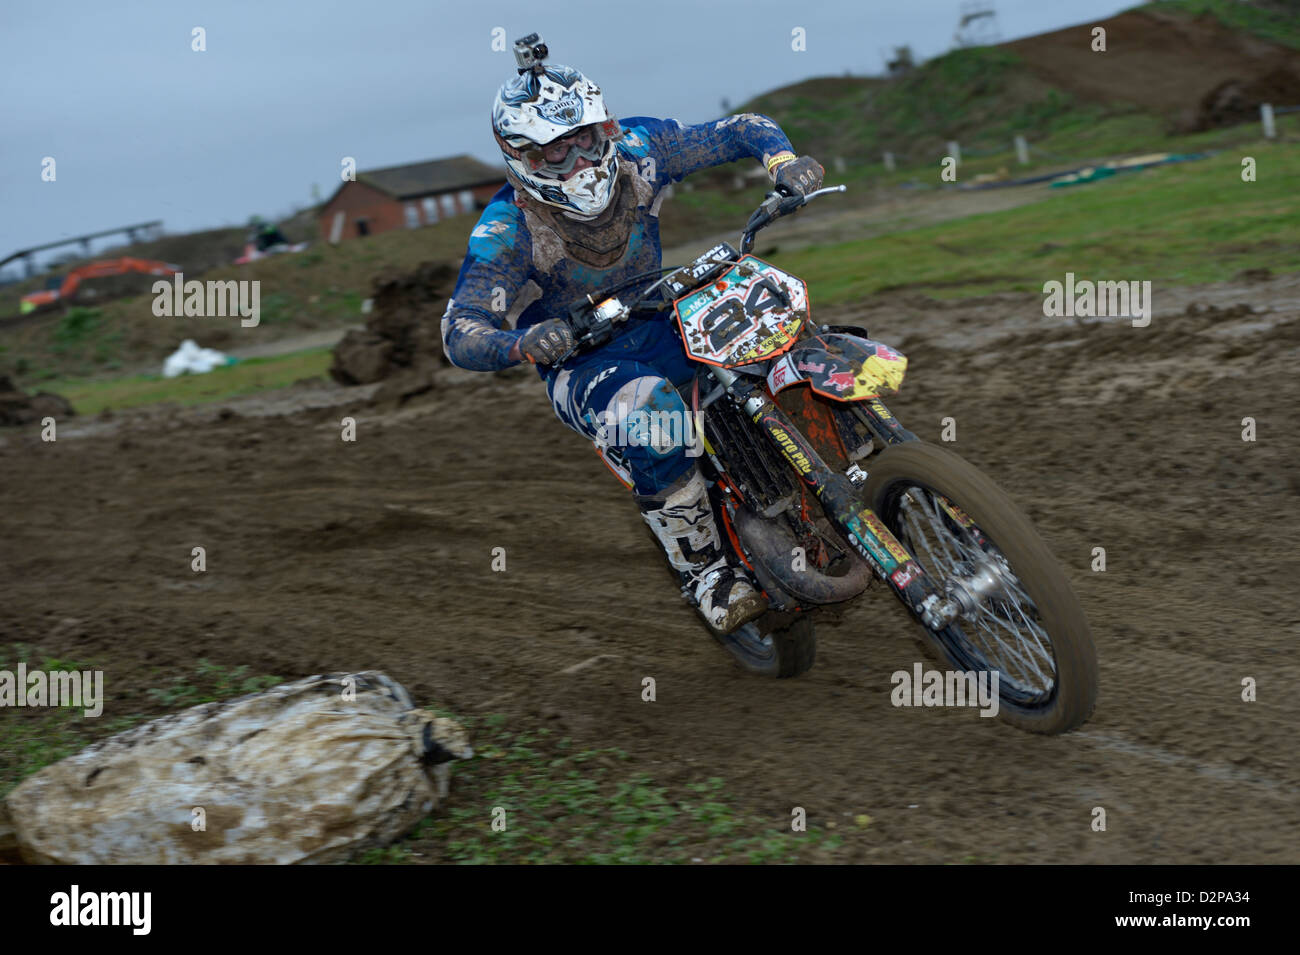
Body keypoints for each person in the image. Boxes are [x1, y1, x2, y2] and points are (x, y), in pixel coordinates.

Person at [441, 39, 824, 634]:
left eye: (586, 141)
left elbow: (740, 128)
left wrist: (781, 162)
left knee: (774, 322)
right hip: (584, 359)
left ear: (606, 127)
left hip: (664, 311)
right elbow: (461, 329)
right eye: (552, 155)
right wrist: (523, 342)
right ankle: (706, 571)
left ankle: (854, 454)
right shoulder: (506, 229)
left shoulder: (641, 150)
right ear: (517, 157)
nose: (578, 165)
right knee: (653, 416)